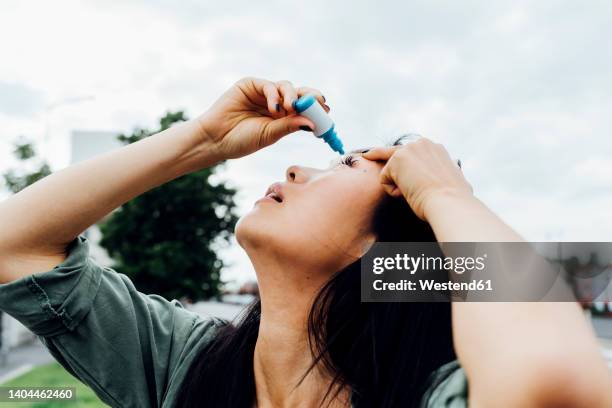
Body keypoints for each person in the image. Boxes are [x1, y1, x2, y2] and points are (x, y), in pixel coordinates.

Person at [0, 77, 609, 408]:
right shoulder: (184, 366)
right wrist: (205, 140)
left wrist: (447, 197)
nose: (295, 169)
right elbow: (15, 246)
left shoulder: (429, 397)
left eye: (345, 168)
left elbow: (555, 387)